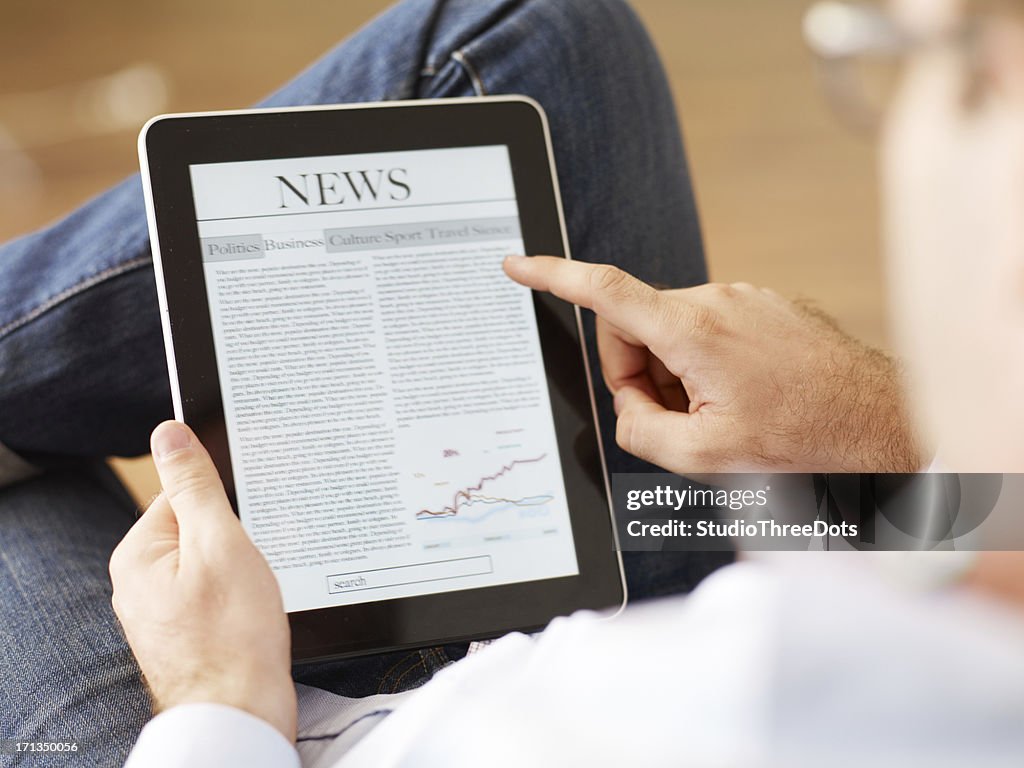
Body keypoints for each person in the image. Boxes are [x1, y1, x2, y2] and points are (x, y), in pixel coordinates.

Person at [3, 0, 1024, 766]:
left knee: (19, 488)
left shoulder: (801, 703)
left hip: (296, 734)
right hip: (674, 601)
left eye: (909, 61)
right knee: (534, 34)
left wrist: (214, 704)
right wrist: (876, 435)